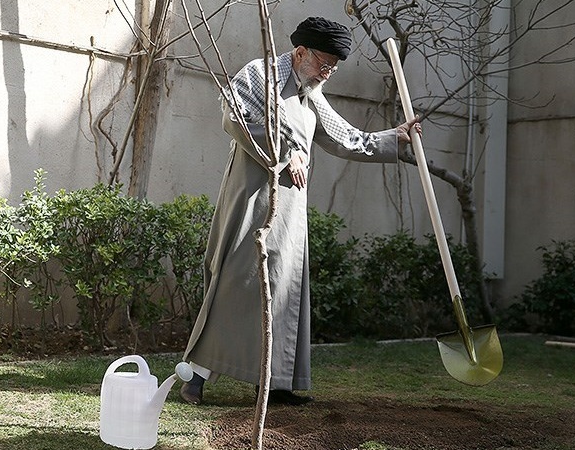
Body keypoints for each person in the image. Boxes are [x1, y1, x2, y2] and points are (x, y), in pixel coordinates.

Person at [180, 16, 421, 406]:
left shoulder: (312, 93)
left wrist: (396, 137)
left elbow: (345, 139)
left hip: (290, 211)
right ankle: (195, 378)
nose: (328, 72)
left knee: (282, 288)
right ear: (300, 52)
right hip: (253, 200)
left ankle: (273, 383)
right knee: (237, 284)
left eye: (334, 67)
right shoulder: (261, 75)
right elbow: (234, 119)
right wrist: (287, 151)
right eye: (323, 63)